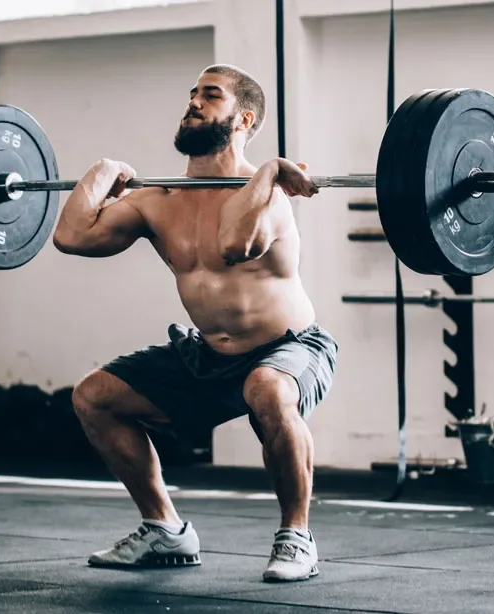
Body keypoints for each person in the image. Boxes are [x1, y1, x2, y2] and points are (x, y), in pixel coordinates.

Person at [51, 63, 338, 583]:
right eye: (192, 94)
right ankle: (164, 530)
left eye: (210, 95)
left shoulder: (270, 192)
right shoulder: (157, 201)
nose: (194, 102)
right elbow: (72, 237)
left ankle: (296, 536)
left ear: (244, 119)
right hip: (208, 355)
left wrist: (270, 170)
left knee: (268, 388)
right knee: (94, 396)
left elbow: (235, 245)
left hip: (289, 347)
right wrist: (103, 171)